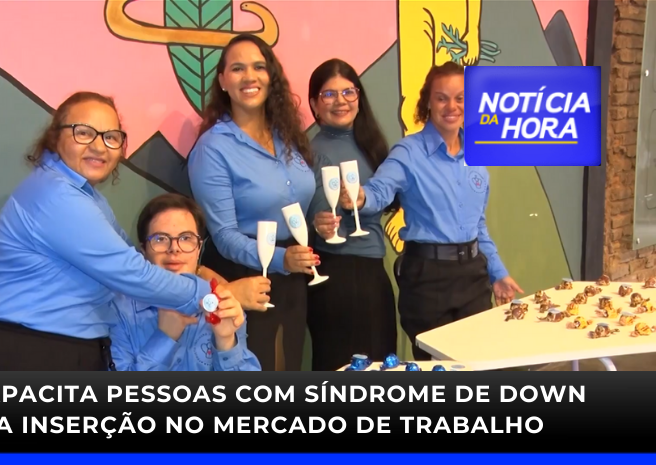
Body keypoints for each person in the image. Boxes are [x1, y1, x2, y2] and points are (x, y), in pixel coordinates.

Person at [0, 92, 232, 371]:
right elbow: (132, 273)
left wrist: (201, 273)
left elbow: (132, 257)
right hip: (28, 352)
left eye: (111, 137)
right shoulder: (58, 196)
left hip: (62, 350)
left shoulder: (88, 198)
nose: (99, 146)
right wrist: (215, 294)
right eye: (84, 133)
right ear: (55, 137)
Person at [339, 62, 524, 361]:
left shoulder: (477, 156)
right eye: (441, 98)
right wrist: (361, 198)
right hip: (428, 280)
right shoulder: (408, 152)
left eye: (460, 98)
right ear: (427, 102)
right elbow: (380, 189)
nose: (451, 106)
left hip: (474, 278)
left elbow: (478, 227)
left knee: (475, 367)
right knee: (436, 371)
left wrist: (498, 273)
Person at [188, 34, 319, 372]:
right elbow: (224, 236)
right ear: (222, 81)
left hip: (294, 275)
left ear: (270, 76)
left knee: (289, 368)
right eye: (238, 68)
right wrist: (280, 259)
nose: (250, 76)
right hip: (244, 276)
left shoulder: (287, 135)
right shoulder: (213, 148)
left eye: (259, 67)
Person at [306, 59, 399, 371]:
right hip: (338, 274)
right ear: (314, 104)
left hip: (372, 273)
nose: (341, 101)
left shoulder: (371, 143)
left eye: (348, 91)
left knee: (381, 366)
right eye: (329, 94)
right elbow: (310, 213)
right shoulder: (311, 152)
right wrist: (318, 224)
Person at [108, 194, 262, 371]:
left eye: (186, 238)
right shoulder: (118, 309)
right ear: (143, 250)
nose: (174, 248)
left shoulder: (225, 306)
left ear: (199, 249)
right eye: (160, 239)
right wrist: (165, 337)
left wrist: (226, 342)